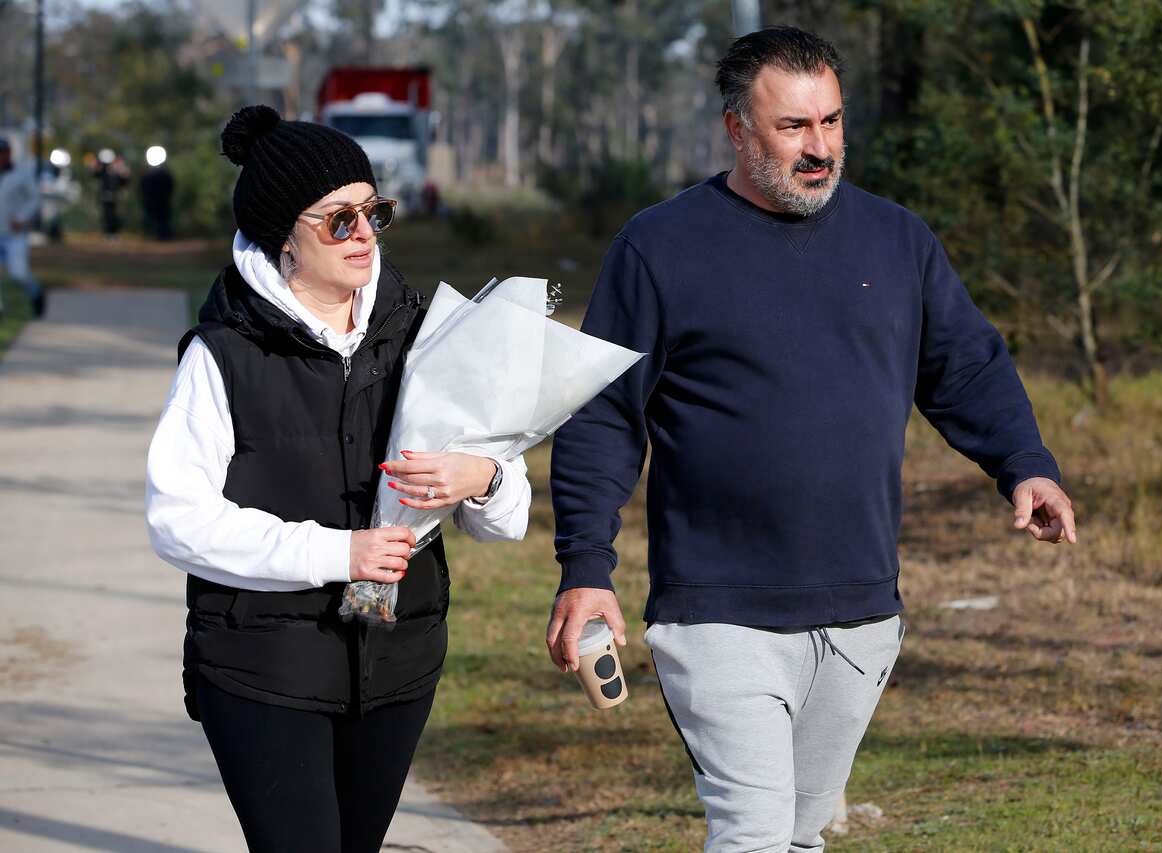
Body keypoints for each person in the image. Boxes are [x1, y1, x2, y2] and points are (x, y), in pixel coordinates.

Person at [546, 26, 1077, 853]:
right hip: (718, 612)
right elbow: (603, 416)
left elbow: (966, 366)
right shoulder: (659, 246)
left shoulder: (897, 240)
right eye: (794, 127)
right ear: (736, 129)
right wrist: (586, 567)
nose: (820, 147)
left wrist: (1025, 465)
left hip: (863, 610)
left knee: (800, 832)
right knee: (754, 831)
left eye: (830, 122)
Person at [145, 105, 531, 852]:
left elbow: (507, 516)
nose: (364, 235)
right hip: (263, 667)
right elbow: (177, 518)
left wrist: (481, 476)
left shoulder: (422, 332)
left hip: (399, 665)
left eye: (373, 212)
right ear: (280, 235)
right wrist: (338, 553)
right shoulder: (222, 356)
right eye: (338, 220)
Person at [0, 138, 46, 318]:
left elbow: (34, 199)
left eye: (3, 153)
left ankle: (36, 294)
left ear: (9, 154)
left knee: (18, 275)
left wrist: (21, 217)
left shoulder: (21, 172)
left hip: (14, 234)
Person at [139, 159, 175, 241]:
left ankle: (164, 235)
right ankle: (152, 234)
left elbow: (171, 185)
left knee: (163, 217)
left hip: (163, 200)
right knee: (153, 217)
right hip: (153, 200)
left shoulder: (165, 174)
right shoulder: (147, 175)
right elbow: (143, 187)